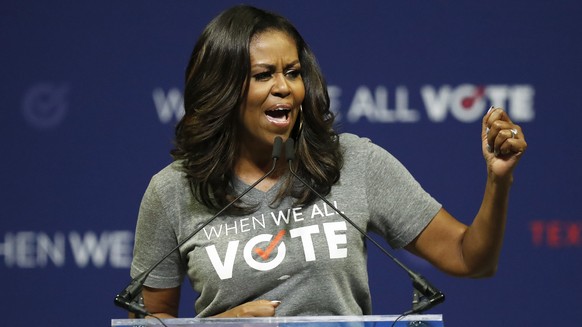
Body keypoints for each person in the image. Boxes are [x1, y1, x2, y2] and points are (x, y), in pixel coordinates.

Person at [130, 4, 527, 319]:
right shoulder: (173, 191)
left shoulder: (354, 163)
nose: (284, 87)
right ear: (223, 89)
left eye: (293, 72)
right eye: (264, 74)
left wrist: (498, 181)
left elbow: (468, 258)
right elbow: (152, 317)